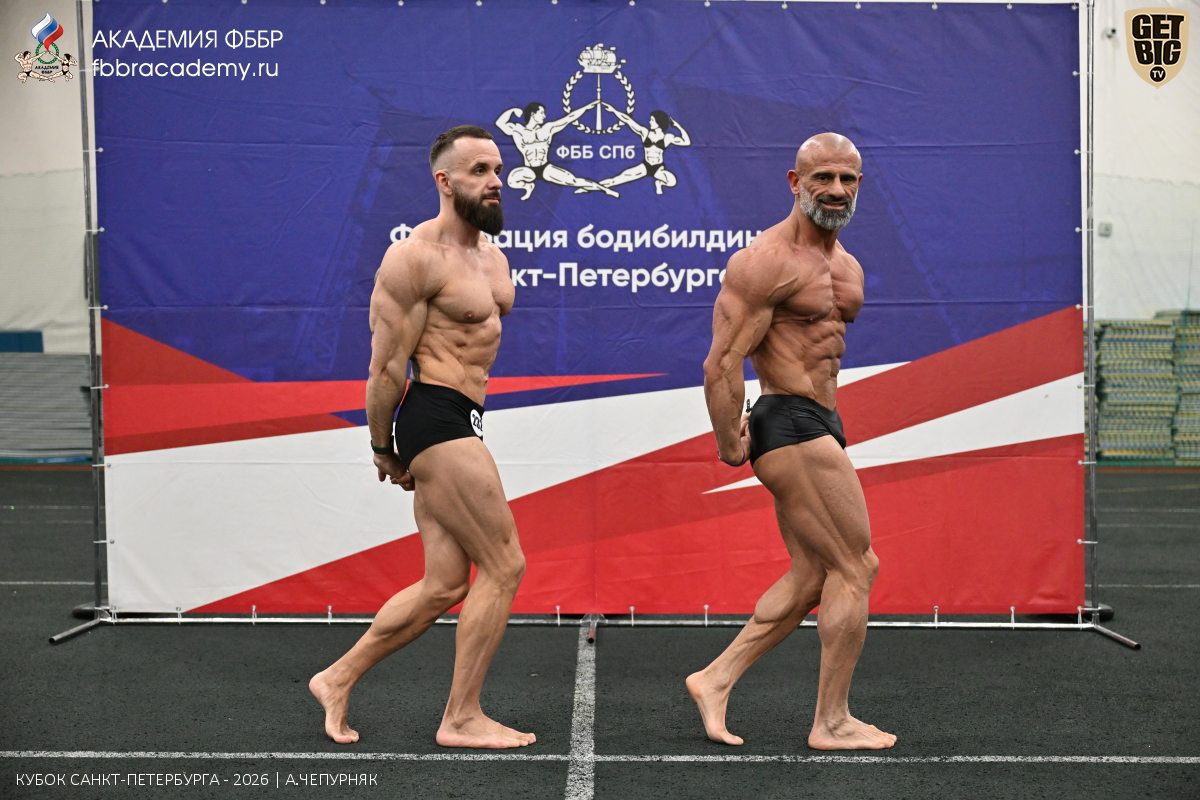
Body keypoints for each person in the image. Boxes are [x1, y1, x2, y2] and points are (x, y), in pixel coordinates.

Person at [309, 125, 535, 749]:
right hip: (433, 416)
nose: (495, 181)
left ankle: (336, 677)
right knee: (505, 564)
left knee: (445, 584)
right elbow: (386, 367)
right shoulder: (413, 258)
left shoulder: (493, 257)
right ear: (444, 181)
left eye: (498, 169)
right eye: (479, 171)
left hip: (463, 416)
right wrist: (382, 448)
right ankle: (461, 717)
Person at [686, 133, 896, 751]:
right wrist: (729, 444)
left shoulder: (847, 266)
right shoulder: (764, 261)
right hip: (788, 422)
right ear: (794, 182)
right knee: (857, 566)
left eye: (847, 179)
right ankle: (832, 721)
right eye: (822, 177)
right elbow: (722, 363)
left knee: (812, 576)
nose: (835, 189)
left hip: (822, 421)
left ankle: (715, 678)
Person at [494, 102, 618, 200]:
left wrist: (587, 107)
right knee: (511, 181)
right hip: (528, 169)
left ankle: (605, 189)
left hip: (545, 167)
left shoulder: (548, 128)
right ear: (533, 114)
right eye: (541, 113)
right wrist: (513, 110)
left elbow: (569, 118)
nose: (544, 116)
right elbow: (500, 123)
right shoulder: (518, 130)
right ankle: (528, 186)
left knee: (574, 181)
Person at [596, 104, 691, 194]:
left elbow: (686, 142)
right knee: (616, 180)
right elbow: (628, 120)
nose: (649, 122)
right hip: (645, 166)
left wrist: (678, 127)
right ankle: (591, 186)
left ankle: (659, 183)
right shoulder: (645, 132)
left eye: (652, 120)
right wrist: (614, 110)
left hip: (658, 168)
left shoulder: (667, 137)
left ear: (659, 121)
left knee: (672, 182)